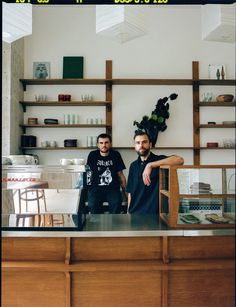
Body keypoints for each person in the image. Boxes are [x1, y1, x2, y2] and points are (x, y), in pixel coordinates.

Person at [126, 130, 184, 214]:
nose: (141, 145)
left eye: (144, 142)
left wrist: (150, 165)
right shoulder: (133, 166)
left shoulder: (159, 160)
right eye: (138, 143)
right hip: (135, 213)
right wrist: (128, 212)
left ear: (150, 144)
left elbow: (179, 160)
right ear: (135, 146)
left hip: (154, 214)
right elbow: (130, 193)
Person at [86, 133, 126, 214]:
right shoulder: (92, 155)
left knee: (117, 203)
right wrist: (88, 189)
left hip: (112, 189)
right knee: (92, 204)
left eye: (106, 142)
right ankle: (96, 225)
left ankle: (113, 225)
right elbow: (88, 174)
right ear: (98, 144)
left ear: (110, 143)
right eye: (101, 143)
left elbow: (120, 174)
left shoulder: (116, 155)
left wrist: (126, 192)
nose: (104, 145)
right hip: (96, 189)